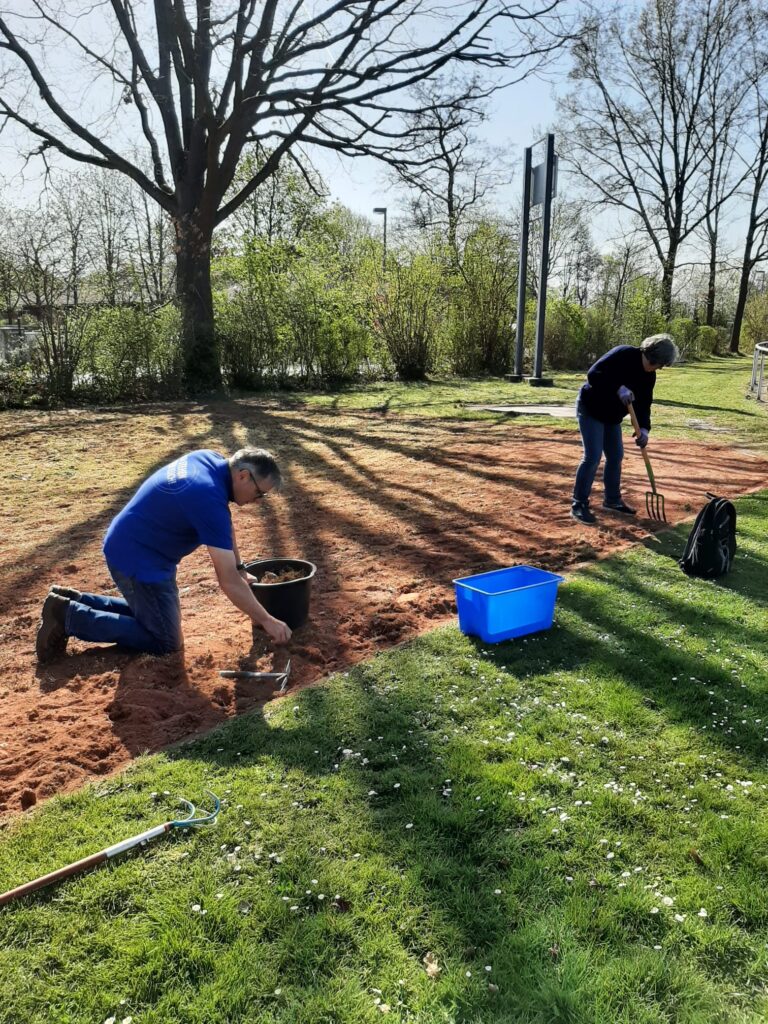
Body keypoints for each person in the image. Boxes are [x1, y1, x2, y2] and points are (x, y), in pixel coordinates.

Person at [35, 447, 292, 664]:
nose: (259, 500)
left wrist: (240, 566)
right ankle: (70, 617)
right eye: (260, 493)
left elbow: (225, 528)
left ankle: (71, 602)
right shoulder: (207, 497)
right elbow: (228, 581)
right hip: (140, 561)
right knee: (166, 641)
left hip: (128, 542)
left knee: (155, 617)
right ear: (243, 476)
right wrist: (267, 620)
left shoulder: (210, 460)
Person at [571, 334, 679, 525]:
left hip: (612, 415)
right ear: (653, 356)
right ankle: (579, 504)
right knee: (593, 456)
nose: (659, 368)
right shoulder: (623, 354)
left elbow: (644, 404)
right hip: (591, 408)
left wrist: (644, 429)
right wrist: (618, 388)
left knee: (615, 456)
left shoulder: (649, 376)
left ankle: (612, 500)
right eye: (660, 364)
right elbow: (594, 374)